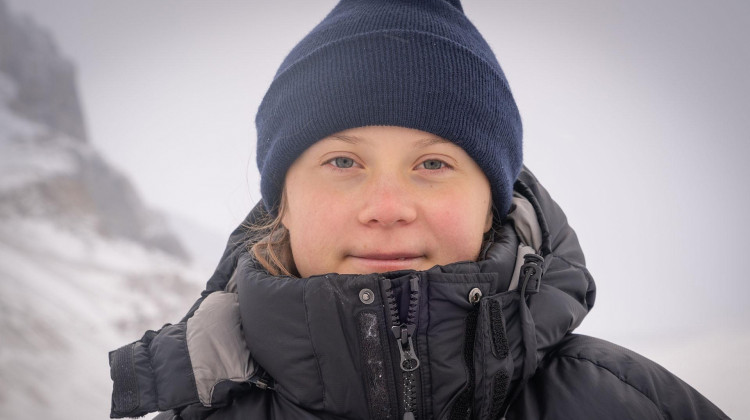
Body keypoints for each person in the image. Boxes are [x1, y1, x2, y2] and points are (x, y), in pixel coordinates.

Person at [108, 1, 729, 419]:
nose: (387, 208)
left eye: (432, 164)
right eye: (343, 162)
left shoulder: (626, 404)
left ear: (492, 203)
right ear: (283, 205)